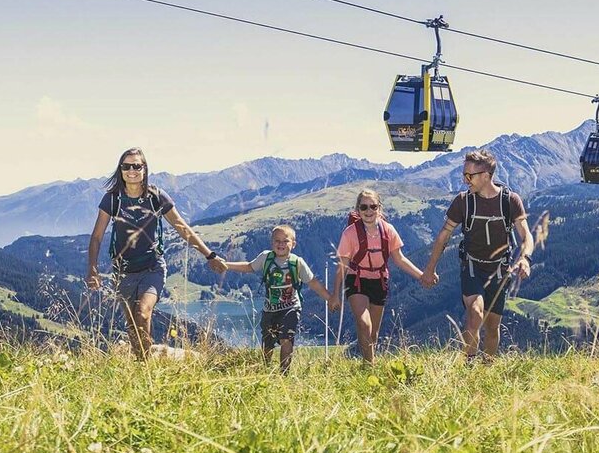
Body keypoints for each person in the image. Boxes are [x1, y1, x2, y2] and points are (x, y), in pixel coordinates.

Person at [86, 147, 225, 359]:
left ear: (144, 169)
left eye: (137, 166)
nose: (131, 170)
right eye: (126, 166)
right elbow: (96, 237)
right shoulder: (112, 199)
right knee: (134, 326)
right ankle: (145, 367)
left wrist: (209, 255)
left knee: (143, 313)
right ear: (120, 170)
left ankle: (146, 367)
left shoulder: (156, 197)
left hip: (153, 268)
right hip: (123, 273)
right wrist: (93, 269)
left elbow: (181, 226)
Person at [422, 149, 533, 360]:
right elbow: (443, 236)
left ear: (486, 175)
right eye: (463, 175)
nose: (465, 181)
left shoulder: (510, 201)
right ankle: (468, 365)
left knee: (492, 327)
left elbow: (526, 234)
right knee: (474, 313)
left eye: (469, 176)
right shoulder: (463, 202)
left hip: (500, 270)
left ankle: (486, 369)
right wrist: (430, 268)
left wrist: (525, 258)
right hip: (472, 267)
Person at [218, 224, 335, 373]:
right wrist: (226, 265)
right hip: (270, 309)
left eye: (285, 241)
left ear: (293, 244)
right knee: (267, 342)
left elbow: (313, 283)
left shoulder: (297, 263)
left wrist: (329, 298)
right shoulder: (266, 258)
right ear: (272, 242)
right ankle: (265, 369)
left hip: (291, 307)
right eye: (277, 241)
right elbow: (249, 267)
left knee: (287, 338)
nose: (281, 244)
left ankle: (284, 373)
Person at [331, 188, 425, 365]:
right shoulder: (350, 233)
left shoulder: (388, 230)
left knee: (372, 333)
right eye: (364, 207)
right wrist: (335, 294)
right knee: (364, 324)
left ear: (379, 208)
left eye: (372, 206)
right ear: (358, 210)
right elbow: (342, 265)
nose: (368, 211)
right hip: (356, 279)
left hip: (380, 281)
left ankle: (366, 364)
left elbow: (399, 258)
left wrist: (421, 276)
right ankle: (371, 367)